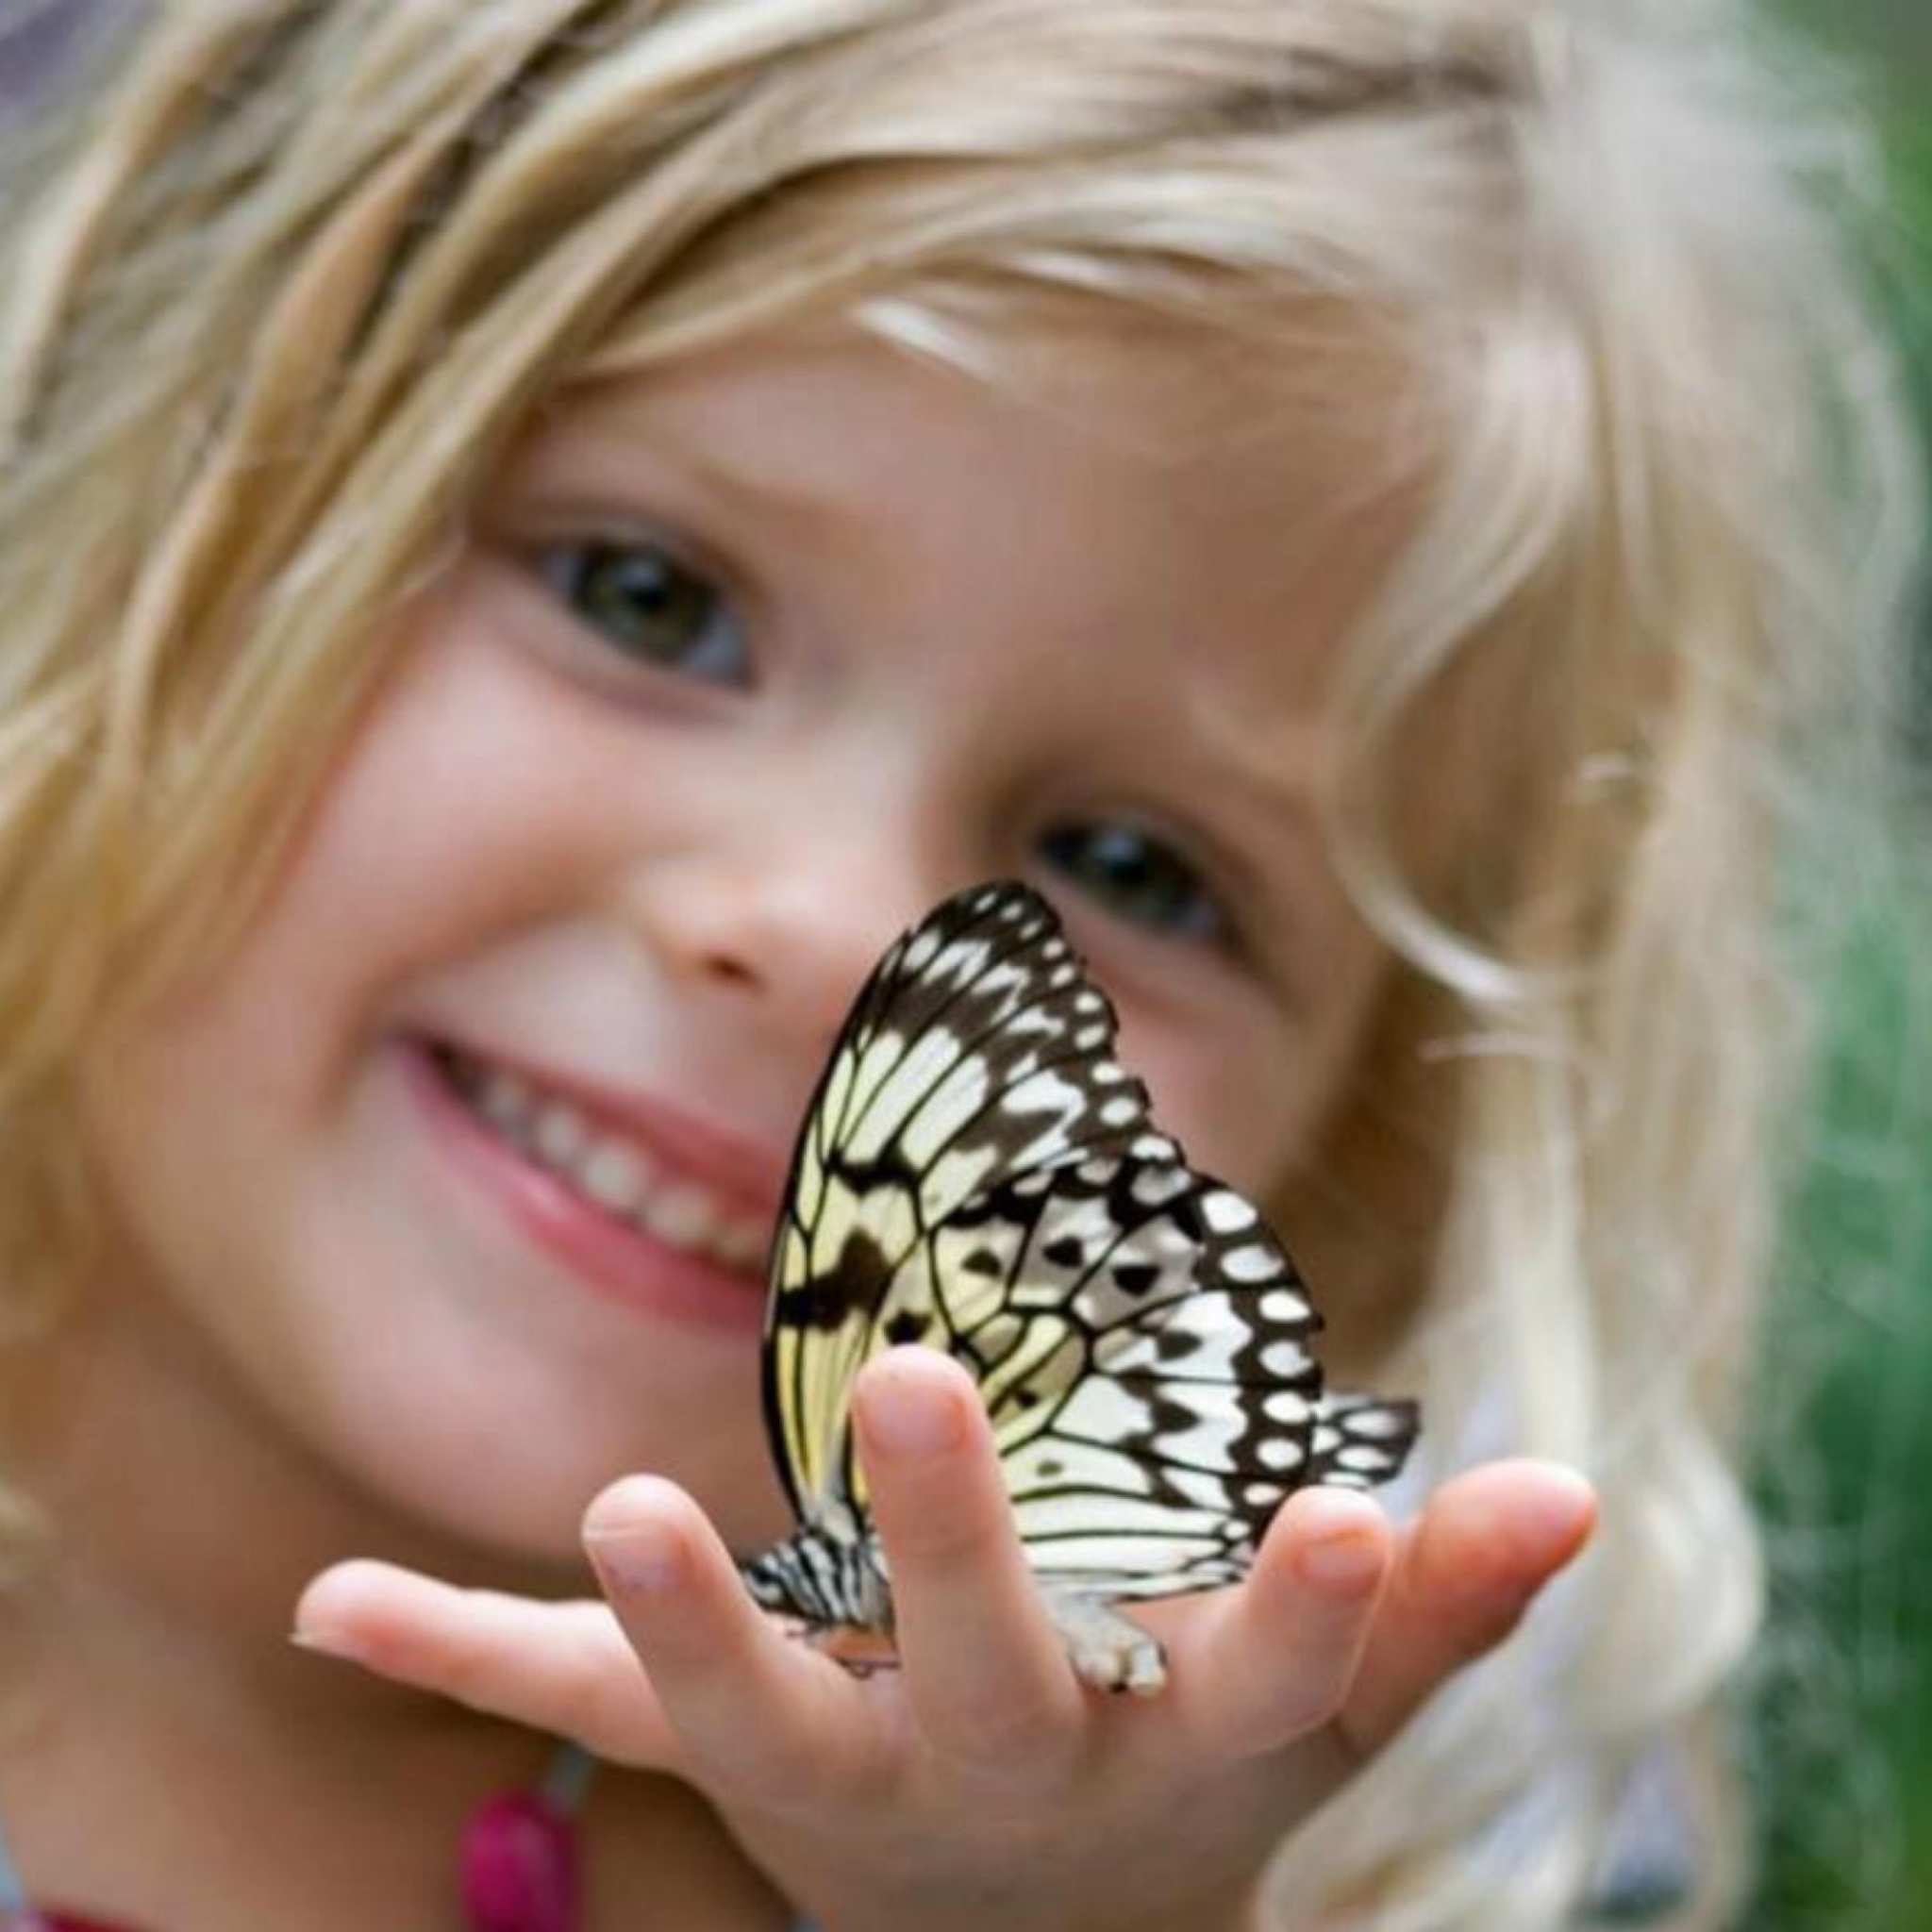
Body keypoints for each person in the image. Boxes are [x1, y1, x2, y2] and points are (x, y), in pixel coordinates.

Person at [0, 1, 1916, 1926]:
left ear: (1357, 1185)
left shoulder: (1370, 1869)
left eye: (1129, 869)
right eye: (647, 598)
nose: (837, 927)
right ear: (164, 488)